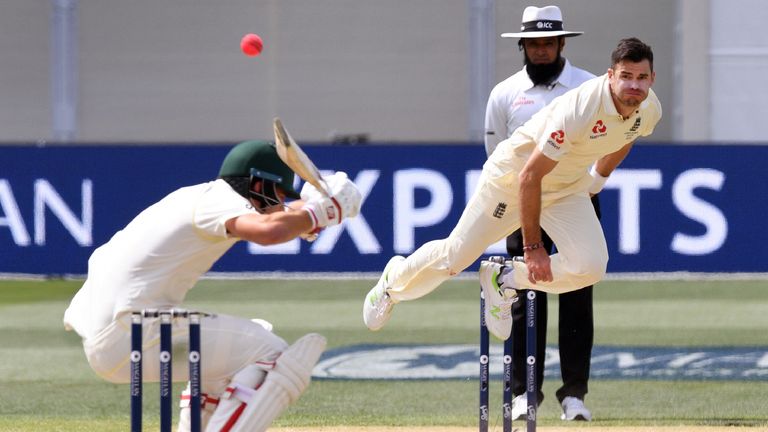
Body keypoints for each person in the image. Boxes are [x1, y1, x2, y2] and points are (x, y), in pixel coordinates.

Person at [363, 34, 661, 409]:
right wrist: (534, 249)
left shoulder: (648, 107)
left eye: (641, 77)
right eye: (626, 76)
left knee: (590, 266)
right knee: (454, 259)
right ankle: (392, 284)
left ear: (652, 79)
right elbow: (529, 178)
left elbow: (626, 136)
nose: (634, 85)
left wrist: (597, 180)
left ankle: (504, 278)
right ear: (610, 76)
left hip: (566, 187)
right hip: (512, 179)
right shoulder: (582, 106)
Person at [64, 140, 362, 432]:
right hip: (132, 331)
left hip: (114, 338)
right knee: (270, 353)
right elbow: (270, 231)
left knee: (224, 362)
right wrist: (323, 211)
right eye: (279, 194)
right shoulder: (221, 199)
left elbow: (278, 217)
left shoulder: (200, 198)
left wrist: (312, 209)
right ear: (259, 186)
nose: (281, 204)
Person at [484, 5, 598, 421]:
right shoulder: (505, 93)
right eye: (534, 43)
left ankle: (574, 394)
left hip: (574, 199)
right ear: (523, 46)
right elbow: (495, 152)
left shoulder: (587, 86)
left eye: (548, 42)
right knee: (523, 293)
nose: (541, 50)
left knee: (577, 290)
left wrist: (591, 182)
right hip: (525, 203)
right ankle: (521, 393)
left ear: (562, 42)